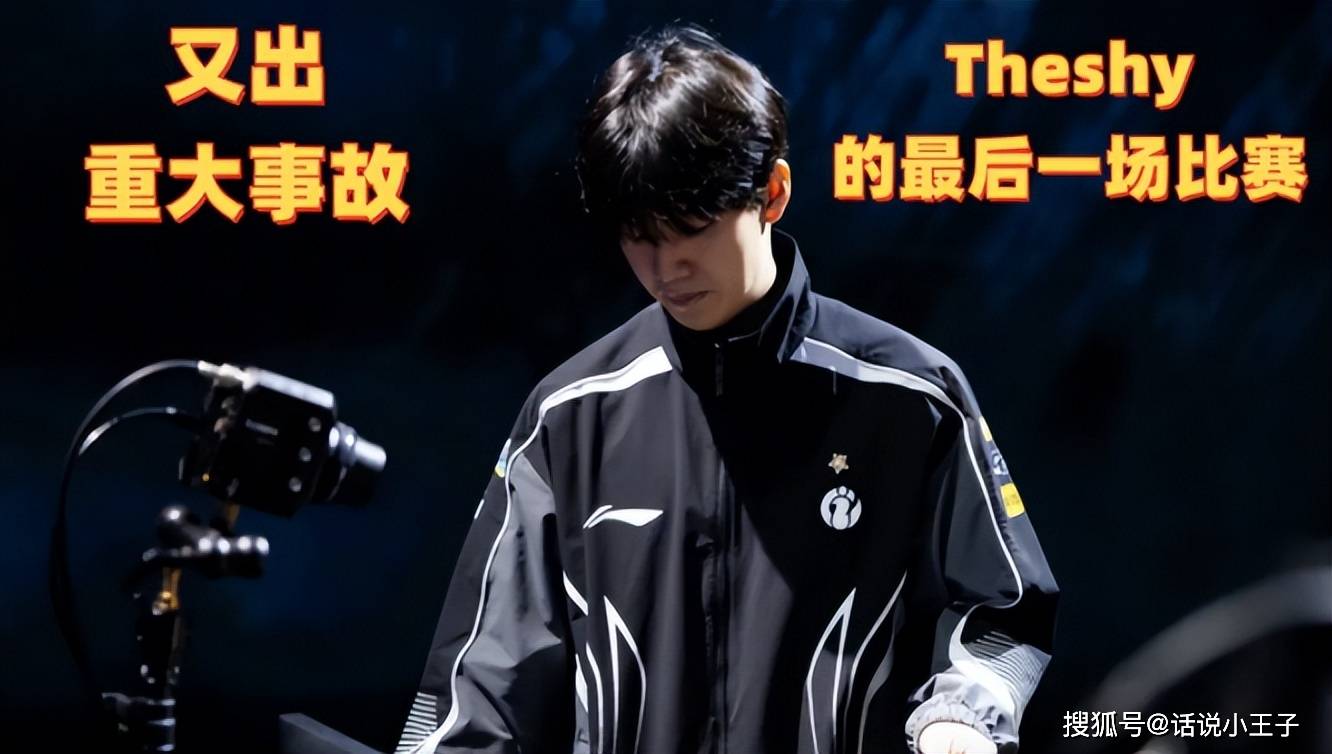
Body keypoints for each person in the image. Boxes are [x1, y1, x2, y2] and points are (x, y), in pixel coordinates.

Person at [397, 25, 1058, 754]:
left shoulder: (910, 397)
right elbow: (474, 691)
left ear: (772, 193)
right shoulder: (568, 415)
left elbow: (1002, 613)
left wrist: (961, 717)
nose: (664, 268)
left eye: (691, 229)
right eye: (638, 234)